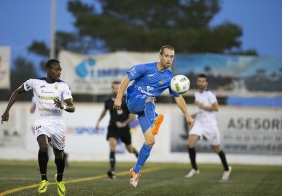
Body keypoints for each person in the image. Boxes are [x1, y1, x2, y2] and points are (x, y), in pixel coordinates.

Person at [113, 45, 194, 188]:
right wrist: (118, 98)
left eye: (172, 57)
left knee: (150, 141)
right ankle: (154, 120)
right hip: (133, 100)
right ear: (160, 56)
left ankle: (135, 171)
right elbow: (126, 80)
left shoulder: (170, 78)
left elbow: (178, 98)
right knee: (150, 98)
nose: (169, 59)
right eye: (167, 56)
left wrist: (187, 115)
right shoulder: (145, 68)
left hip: (145, 108)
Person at [1, 59, 75, 196]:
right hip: (42, 121)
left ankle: (59, 179)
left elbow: (72, 107)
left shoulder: (63, 86)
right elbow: (17, 92)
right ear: (48, 70)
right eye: (56, 69)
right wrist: (7, 111)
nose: (59, 72)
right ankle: (43, 179)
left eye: (60, 70)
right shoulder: (34, 82)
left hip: (57, 123)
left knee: (59, 154)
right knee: (43, 147)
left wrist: (63, 106)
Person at [185, 74, 232, 182]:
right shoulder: (197, 94)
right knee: (189, 144)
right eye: (199, 81)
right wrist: (195, 114)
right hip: (199, 124)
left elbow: (216, 108)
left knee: (216, 149)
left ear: (206, 83)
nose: (201, 83)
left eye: (203, 81)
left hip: (210, 125)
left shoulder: (210, 93)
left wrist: (200, 105)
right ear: (197, 83)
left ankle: (226, 169)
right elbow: (202, 111)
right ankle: (195, 168)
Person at [95, 81, 139, 179]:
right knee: (112, 146)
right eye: (114, 88)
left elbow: (133, 116)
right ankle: (113, 171)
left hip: (124, 128)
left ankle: (135, 152)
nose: (116, 90)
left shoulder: (127, 101)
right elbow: (104, 111)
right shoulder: (108, 101)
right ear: (112, 89)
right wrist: (98, 122)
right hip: (113, 127)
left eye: (118, 88)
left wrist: (123, 123)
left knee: (129, 149)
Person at [30, 96, 70, 169]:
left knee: (50, 144)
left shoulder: (54, 96)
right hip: (42, 123)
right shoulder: (36, 97)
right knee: (45, 144)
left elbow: (32, 110)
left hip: (53, 124)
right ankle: (43, 164)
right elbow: (32, 110)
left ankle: (62, 156)